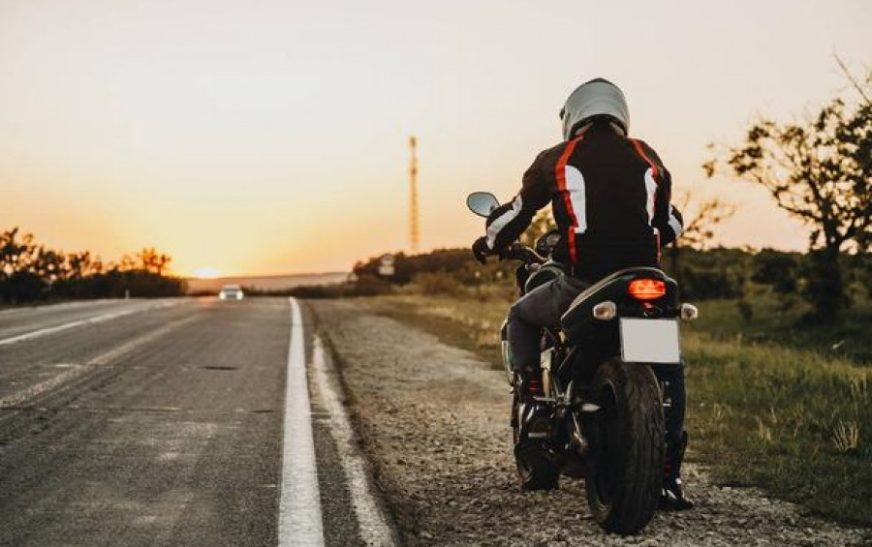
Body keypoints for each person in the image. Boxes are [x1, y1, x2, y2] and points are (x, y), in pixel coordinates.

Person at [471, 78, 692, 510]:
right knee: (669, 370)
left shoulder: (557, 158)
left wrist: (491, 241)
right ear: (621, 114)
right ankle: (668, 479)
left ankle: (535, 407)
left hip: (583, 282)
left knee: (521, 317)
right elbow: (670, 222)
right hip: (647, 280)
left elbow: (515, 214)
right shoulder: (647, 155)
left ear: (573, 117)